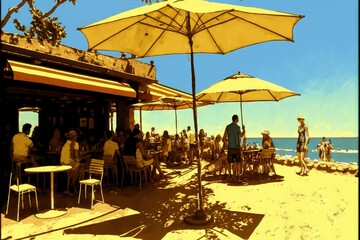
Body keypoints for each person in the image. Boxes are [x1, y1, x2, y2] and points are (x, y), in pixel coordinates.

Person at [223, 114, 245, 182]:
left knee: (229, 162)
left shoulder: (228, 127)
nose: (238, 120)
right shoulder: (238, 127)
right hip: (236, 147)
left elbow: (224, 136)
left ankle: (231, 175)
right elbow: (240, 136)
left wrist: (227, 145)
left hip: (230, 147)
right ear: (236, 119)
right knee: (238, 162)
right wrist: (244, 130)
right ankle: (237, 176)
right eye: (238, 119)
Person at [60, 130, 82, 195]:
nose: (76, 137)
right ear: (73, 137)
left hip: (62, 162)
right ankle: (71, 184)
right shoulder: (74, 143)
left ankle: (71, 183)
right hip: (67, 162)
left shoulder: (66, 143)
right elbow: (73, 156)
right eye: (75, 136)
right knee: (80, 167)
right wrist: (79, 157)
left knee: (78, 168)